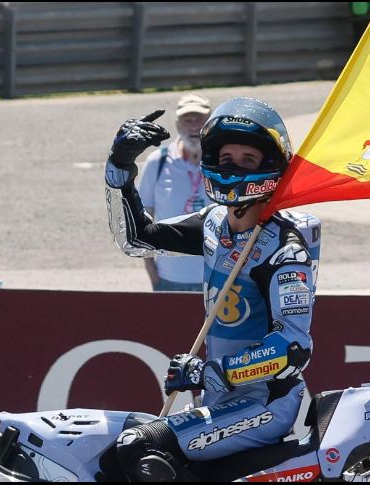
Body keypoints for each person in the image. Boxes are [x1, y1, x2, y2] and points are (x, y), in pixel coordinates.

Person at [104, 97, 320, 481]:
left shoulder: (286, 251)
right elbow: (136, 240)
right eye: (225, 159)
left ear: (271, 167)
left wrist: (210, 373)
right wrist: (119, 168)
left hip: (266, 406)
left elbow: (292, 349)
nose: (232, 168)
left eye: (247, 160)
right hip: (221, 401)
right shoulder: (213, 222)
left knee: (138, 448)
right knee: (118, 453)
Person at [137, 93, 211, 292]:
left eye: (200, 120)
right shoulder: (157, 162)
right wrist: (151, 271)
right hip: (170, 279)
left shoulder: (221, 162)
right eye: (188, 121)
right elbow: (143, 219)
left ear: (210, 123)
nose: (194, 126)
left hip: (217, 279)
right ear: (178, 125)